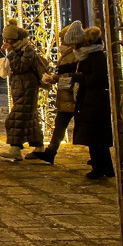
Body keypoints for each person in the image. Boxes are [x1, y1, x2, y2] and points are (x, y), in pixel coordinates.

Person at [32, 21, 84, 165]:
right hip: (65, 94)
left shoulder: (75, 55)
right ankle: (51, 151)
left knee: (71, 125)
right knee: (60, 125)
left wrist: (58, 77)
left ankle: (98, 158)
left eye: (62, 39)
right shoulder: (66, 54)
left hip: (72, 95)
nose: (60, 42)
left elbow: (73, 73)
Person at [71, 26, 114, 179]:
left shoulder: (95, 57)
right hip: (91, 100)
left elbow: (96, 79)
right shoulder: (90, 56)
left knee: (95, 136)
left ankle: (100, 166)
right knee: (96, 137)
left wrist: (77, 77)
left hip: (95, 101)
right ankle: (105, 166)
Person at [0, 18, 45, 160]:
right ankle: (39, 148)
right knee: (30, 119)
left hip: (28, 88)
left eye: (8, 40)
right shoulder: (18, 49)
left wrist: (11, 53)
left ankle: (15, 148)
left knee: (15, 119)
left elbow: (20, 67)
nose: (6, 42)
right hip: (20, 88)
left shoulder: (27, 50)